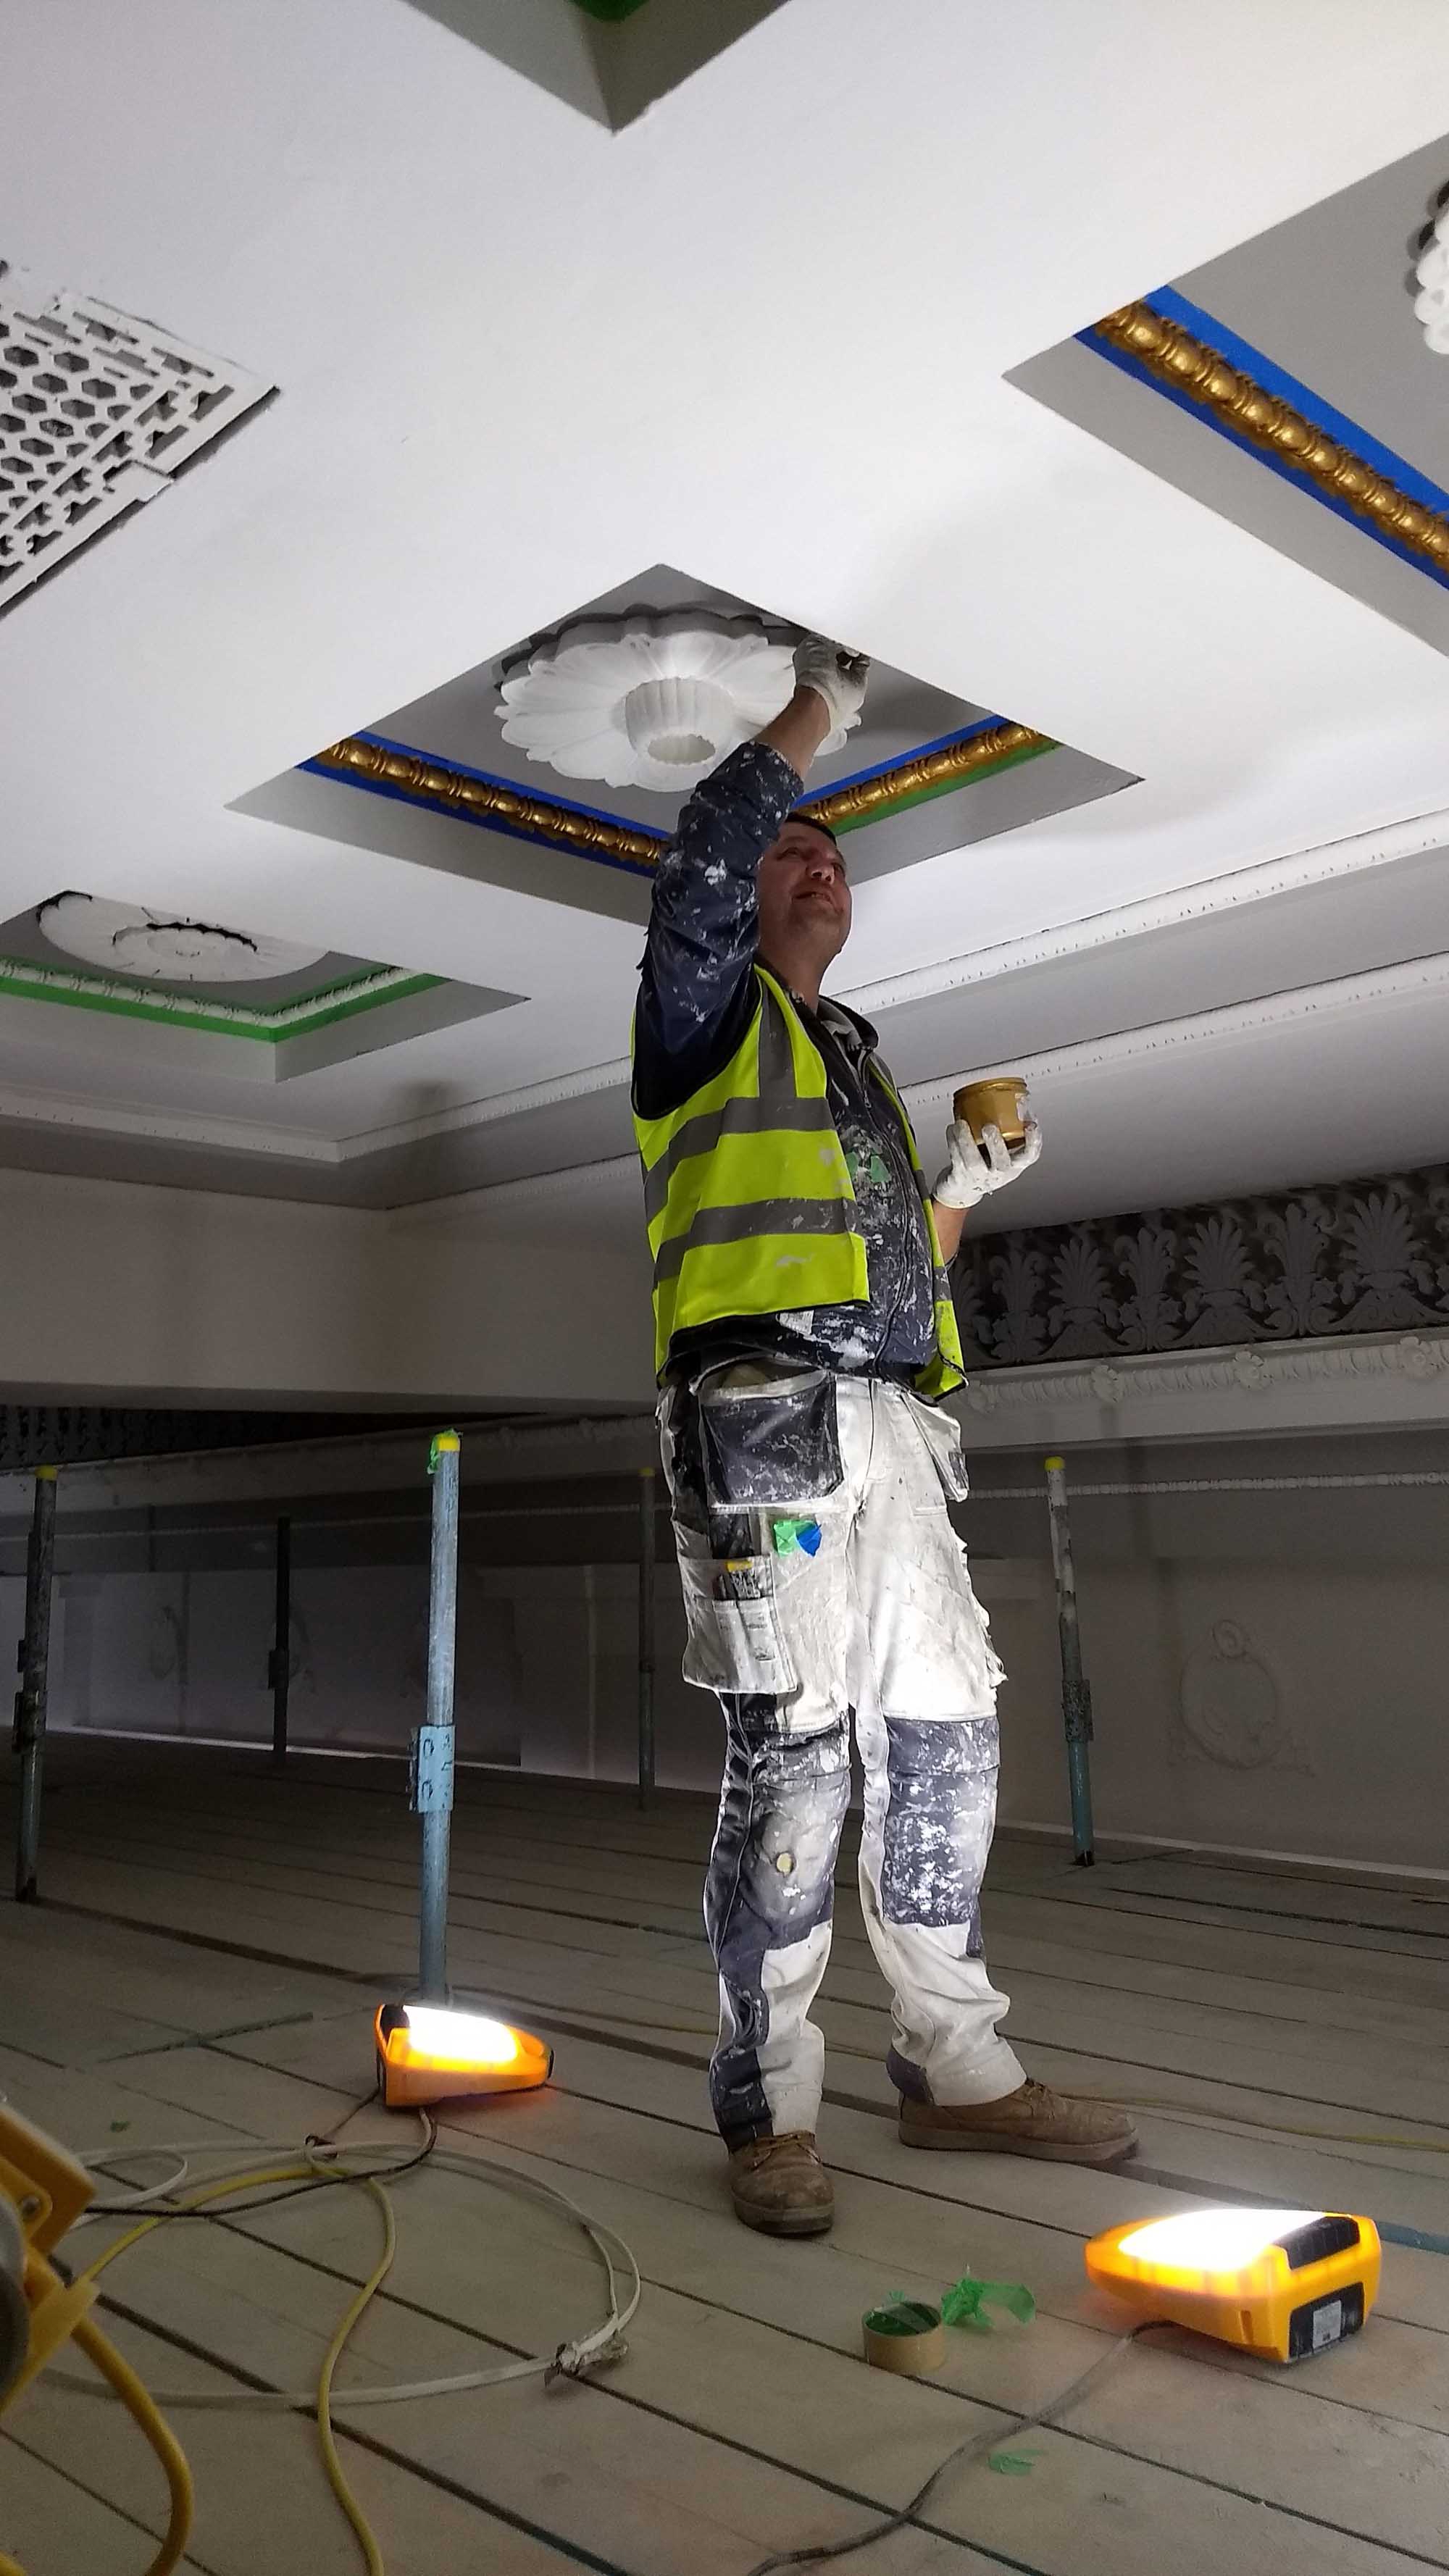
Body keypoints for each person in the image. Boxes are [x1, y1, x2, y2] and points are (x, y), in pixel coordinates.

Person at [632, 638, 1136, 2238]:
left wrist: (957, 1196)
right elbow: (703, 854)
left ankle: (955, 2065)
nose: (818, 864)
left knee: (944, 1740)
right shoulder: (700, 1017)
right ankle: (767, 2105)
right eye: (795, 847)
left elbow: (891, 1267)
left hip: (896, 1429)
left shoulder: (851, 1050)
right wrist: (813, 719)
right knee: (794, 1763)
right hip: (762, 1422)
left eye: (835, 856)